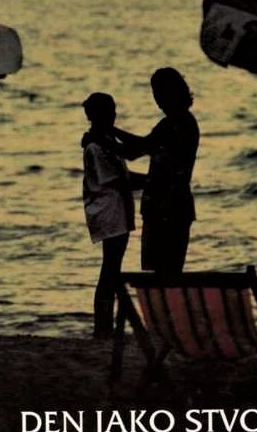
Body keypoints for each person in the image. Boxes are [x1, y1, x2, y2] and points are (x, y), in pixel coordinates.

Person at [114, 68, 199, 274]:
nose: (158, 100)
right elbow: (135, 151)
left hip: (170, 208)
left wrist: (109, 130)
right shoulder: (172, 123)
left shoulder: (178, 124)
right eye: (155, 94)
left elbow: (137, 149)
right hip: (161, 206)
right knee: (161, 274)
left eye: (161, 93)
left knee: (164, 275)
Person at [81, 92, 134, 338]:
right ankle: (103, 327)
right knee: (110, 268)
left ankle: (104, 326)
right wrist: (155, 180)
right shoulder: (96, 147)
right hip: (110, 212)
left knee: (111, 267)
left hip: (114, 210)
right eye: (109, 111)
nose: (114, 115)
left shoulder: (104, 141)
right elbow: (120, 180)